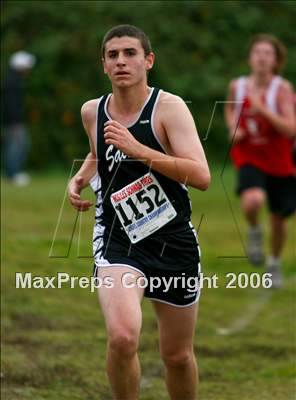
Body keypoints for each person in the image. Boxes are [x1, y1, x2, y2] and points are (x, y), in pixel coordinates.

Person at [68, 25, 210, 400]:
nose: (121, 62)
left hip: (173, 243)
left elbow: (201, 175)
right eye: (112, 55)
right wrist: (80, 178)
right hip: (119, 242)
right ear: (103, 65)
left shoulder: (169, 108)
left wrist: (138, 149)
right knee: (122, 336)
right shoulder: (91, 112)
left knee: (177, 355)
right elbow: (101, 150)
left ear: (148, 60)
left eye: (130, 53)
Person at [225, 34, 296, 288]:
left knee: (278, 220)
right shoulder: (238, 86)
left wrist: (262, 108)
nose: (262, 58)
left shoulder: (282, 89)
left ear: (276, 60)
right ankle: (254, 231)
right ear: (250, 58)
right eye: (258, 52)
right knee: (253, 200)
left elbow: (290, 129)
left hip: (279, 159)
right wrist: (234, 129)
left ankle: (274, 263)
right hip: (249, 155)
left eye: (268, 53)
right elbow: (230, 111)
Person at [2, 51, 36, 186]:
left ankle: (13, 173)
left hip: (13, 121)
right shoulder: (13, 82)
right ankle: (13, 174)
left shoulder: (13, 80)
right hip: (14, 122)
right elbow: (11, 105)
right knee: (17, 147)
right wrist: (15, 122)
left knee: (17, 146)